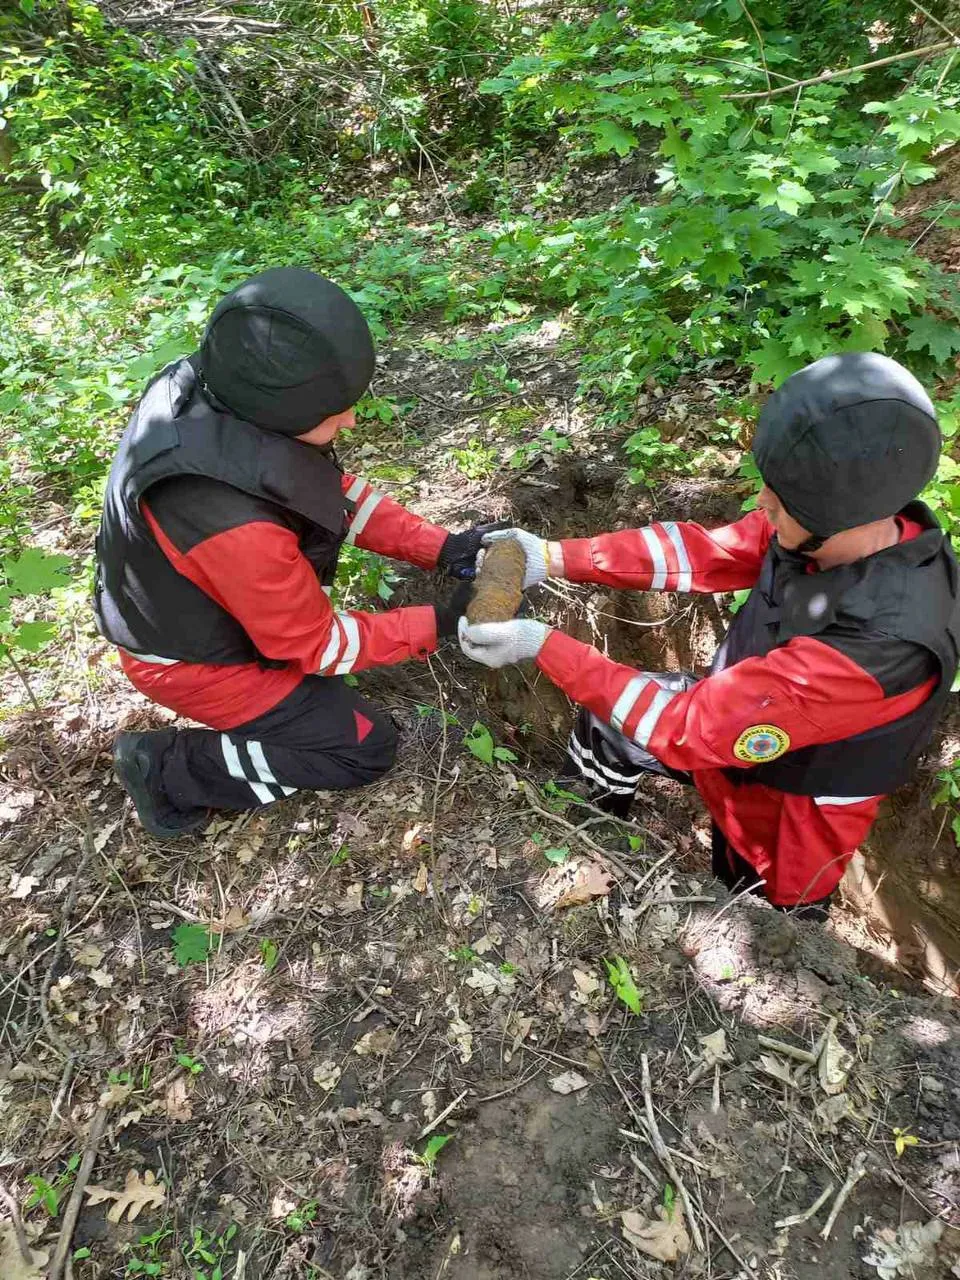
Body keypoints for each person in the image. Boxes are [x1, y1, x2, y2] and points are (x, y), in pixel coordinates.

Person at [459, 353, 960, 919]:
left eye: (780, 499)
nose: (763, 503)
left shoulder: (884, 643)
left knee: (762, 912)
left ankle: (772, 925)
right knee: (607, 724)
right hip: (732, 727)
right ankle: (589, 842)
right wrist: (553, 557)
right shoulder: (826, 520)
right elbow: (705, 552)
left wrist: (543, 645)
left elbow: (688, 727)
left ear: (838, 515)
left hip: (783, 819)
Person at [95, 266, 481, 838]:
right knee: (362, 748)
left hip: (208, 611)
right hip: (194, 665)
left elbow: (323, 496)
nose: (350, 419)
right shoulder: (229, 522)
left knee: (331, 709)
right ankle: (169, 769)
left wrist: (442, 548)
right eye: (334, 411)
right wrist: (441, 622)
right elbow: (313, 644)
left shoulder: (224, 389)